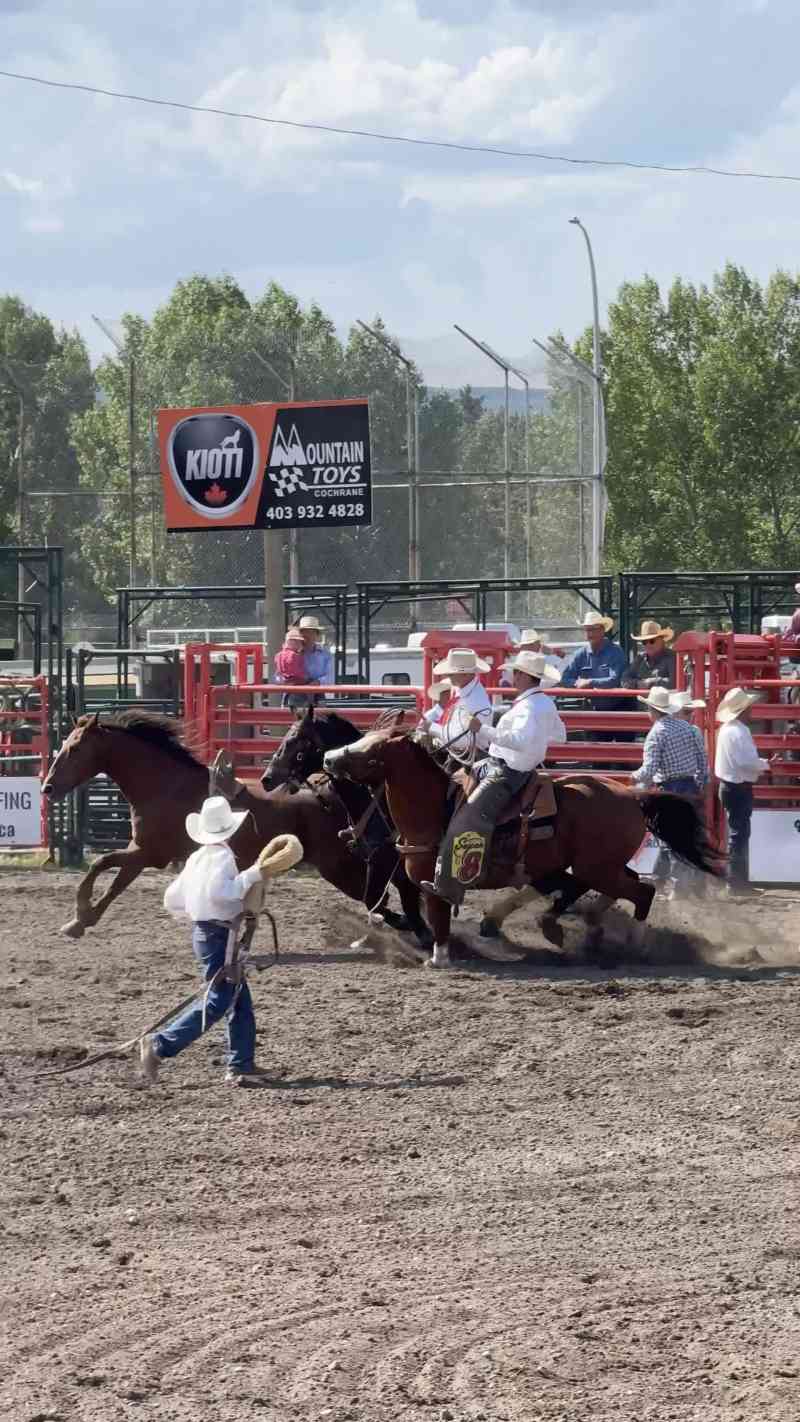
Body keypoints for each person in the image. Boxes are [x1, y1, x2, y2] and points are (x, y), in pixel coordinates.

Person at [140, 796, 277, 1088]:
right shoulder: (223, 858)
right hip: (219, 936)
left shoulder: (197, 858)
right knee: (220, 1000)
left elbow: (172, 899)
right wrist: (251, 875)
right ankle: (161, 1045)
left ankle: (241, 1065)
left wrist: (197, 912)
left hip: (205, 933)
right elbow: (222, 893)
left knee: (238, 1000)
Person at [422, 650, 566, 907]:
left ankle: (450, 887)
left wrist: (484, 729)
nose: (512, 676)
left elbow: (519, 741)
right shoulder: (542, 703)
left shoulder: (529, 707)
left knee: (467, 818)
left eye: (516, 672)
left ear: (524, 676)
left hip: (506, 772)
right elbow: (561, 735)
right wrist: (538, 739)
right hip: (499, 764)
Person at [714, 686, 770, 896]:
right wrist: (764, 764)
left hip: (730, 785)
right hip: (738, 787)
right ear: (744, 710)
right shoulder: (740, 731)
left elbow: (742, 760)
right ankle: (737, 884)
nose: (751, 710)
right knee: (739, 836)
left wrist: (760, 763)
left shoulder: (727, 729)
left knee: (737, 835)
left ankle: (737, 883)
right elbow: (746, 761)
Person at [426, 648, 492, 765]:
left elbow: (462, 740)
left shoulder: (475, 701)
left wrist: (432, 728)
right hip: (460, 755)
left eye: (451, 673)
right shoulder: (465, 691)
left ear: (465, 674)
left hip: (469, 760)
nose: (448, 675)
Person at [559, 610, 628, 709]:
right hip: (589, 708)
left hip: (617, 709)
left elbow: (615, 680)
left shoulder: (616, 652)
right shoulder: (580, 654)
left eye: (594, 629)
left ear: (603, 630)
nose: (590, 633)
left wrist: (589, 682)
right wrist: (577, 683)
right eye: (587, 629)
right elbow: (565, 679)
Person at [622, 620, 676, 691]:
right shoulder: (640, 658)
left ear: (662, 640)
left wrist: (650, 682)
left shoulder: (672, 657)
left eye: (652, 641)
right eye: (644, 642)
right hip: (639, 698)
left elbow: (674, 682)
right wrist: (637, 683)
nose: (648, 645)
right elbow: (624, 679)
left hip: (663, 698)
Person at [274, 627, 312, 709]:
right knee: (300, 707)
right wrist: (306, 678)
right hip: (297, 685)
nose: (300, 644)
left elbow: (278, 672)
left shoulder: (278, 655)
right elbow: (297, 672)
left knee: (286, 702)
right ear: (291, 642)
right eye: (298, 641)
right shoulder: (295, 655)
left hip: (286, 685)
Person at [297, 615, 334, 688]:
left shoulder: (325, 655)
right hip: (295, 692)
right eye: (304, 632)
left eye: (310, 632)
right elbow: (278, 677)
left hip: (318, 691)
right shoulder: (291, 654)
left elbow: (331, 677)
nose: (307, 635)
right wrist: (288, 680)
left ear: (317, 635)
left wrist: (318, 682)